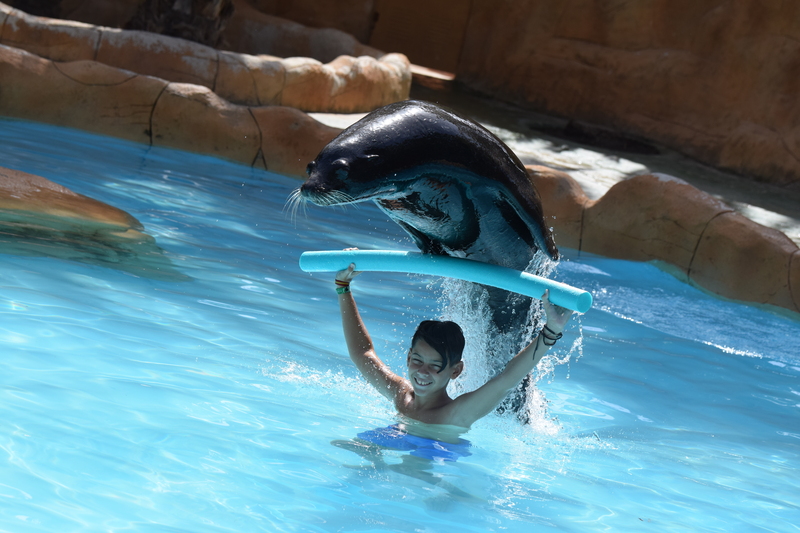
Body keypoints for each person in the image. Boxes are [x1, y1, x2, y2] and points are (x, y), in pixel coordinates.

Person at [334, 261, 574, 436]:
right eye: (417, 360)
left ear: (456, 370)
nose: (423, 372)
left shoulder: (456, 413)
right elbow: (362, 354)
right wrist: (343, 287)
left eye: (436, 366)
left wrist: (550, 331)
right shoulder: (401, 396)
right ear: (408, 357)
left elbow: (506, 380)